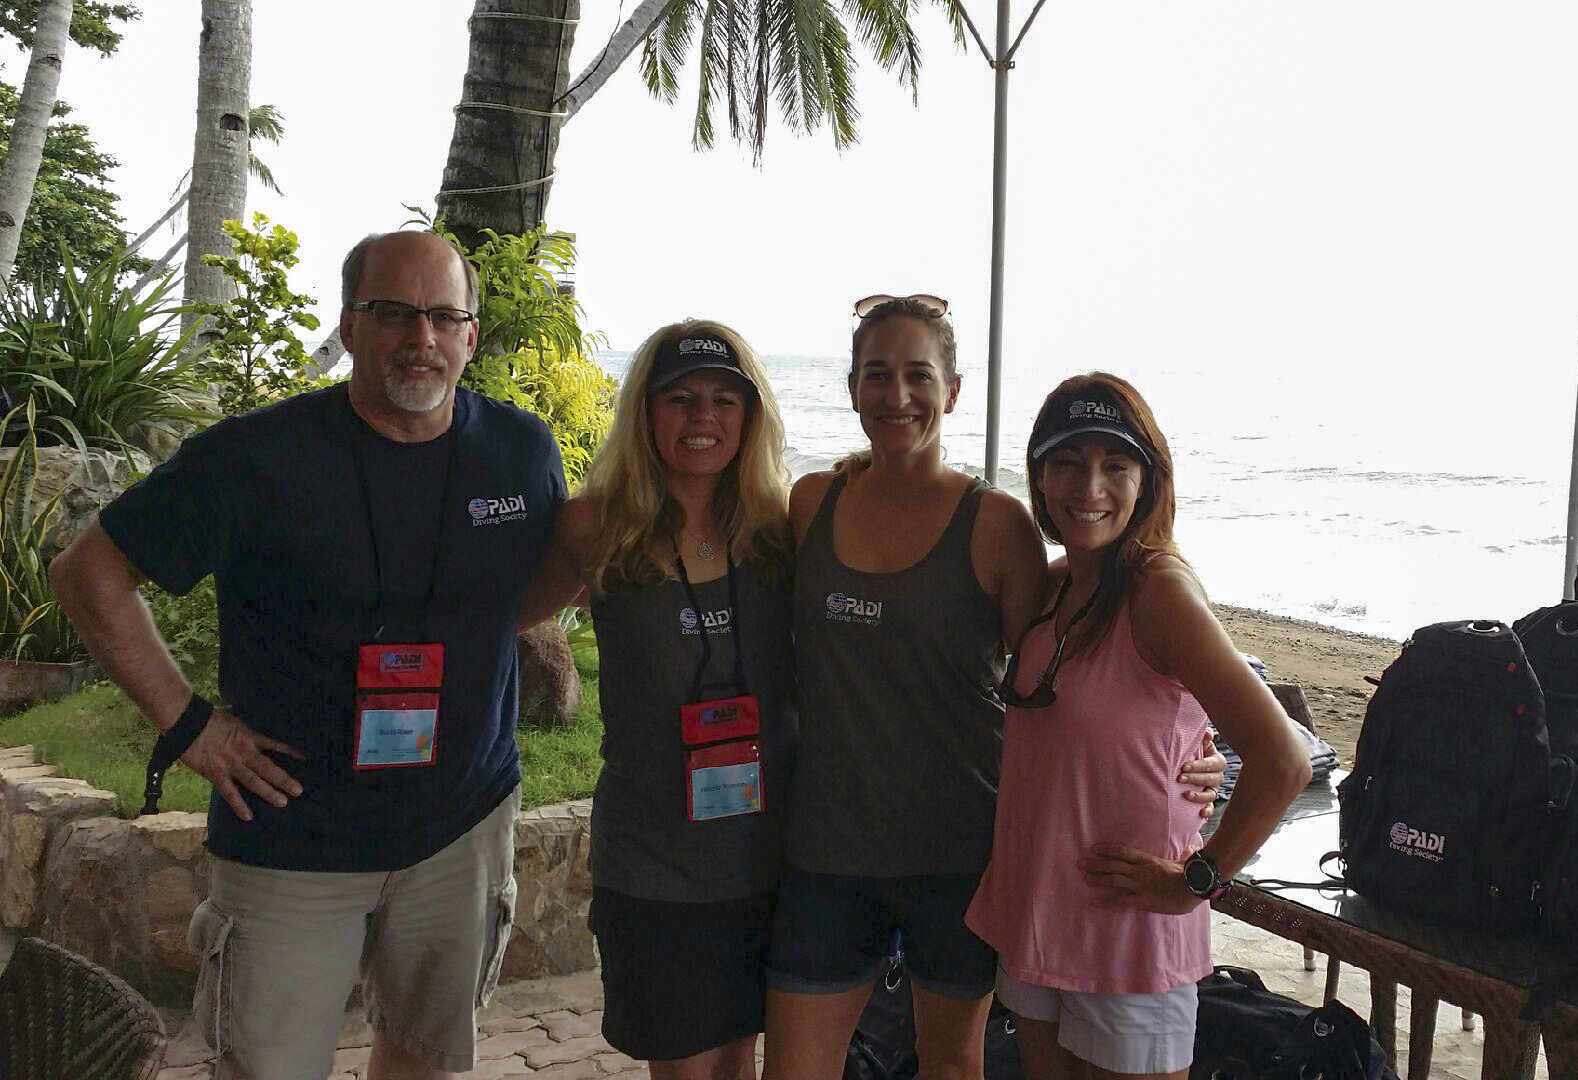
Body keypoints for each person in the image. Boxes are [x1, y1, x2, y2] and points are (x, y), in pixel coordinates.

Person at [48, 230, 567, 1080]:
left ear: (472, 335)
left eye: (444, 316)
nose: (420, 338)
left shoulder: (519, 451)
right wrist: (189, 727)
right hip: (293, 840)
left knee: (424, 1060)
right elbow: (89, 575)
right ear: (350, 324)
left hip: (460, 828)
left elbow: (543, 586)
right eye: (392, 312)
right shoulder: (256, 457)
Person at [763, 298, 1225, 1080]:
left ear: (952, 391)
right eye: (878, 374)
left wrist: (1195, 750)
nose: (897, 395)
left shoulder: (996, 524)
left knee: (952, 1065)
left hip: (962, 856)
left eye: (919, 375)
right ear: (851, 388)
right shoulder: (811, 502)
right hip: (828, 852)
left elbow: (1068, 661)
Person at [965, 372, 1313, 1080]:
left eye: (1115, 465)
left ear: (1148, 480)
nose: (1088, 486)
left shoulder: (1160, 590)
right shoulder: (1055, 584)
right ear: (1039, 476)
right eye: (1067, 463)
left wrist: (1200, 877)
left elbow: (1284, 759)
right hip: (1039, 909)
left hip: (1129, 932)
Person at [518, 320, 797, 1080]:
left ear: (751, 415)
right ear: (645, 412)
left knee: (741, 1058)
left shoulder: (783, 527)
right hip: (653, 856)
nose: (703, 418)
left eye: (722, 399)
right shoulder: (598, 526)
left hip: (766, 850)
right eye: (680, 399)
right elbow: (504, 619)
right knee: (683, 1066)